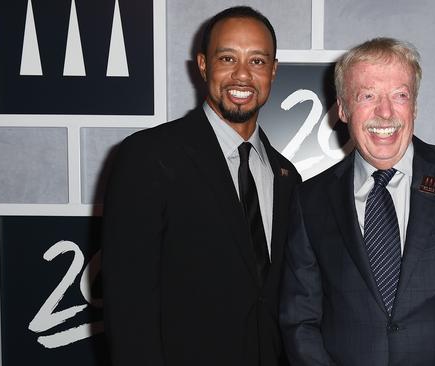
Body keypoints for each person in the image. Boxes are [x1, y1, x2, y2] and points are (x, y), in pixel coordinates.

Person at [279, 37, 435, 366]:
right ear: (343, 108)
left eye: (400, 95)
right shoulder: (311, 199)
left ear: (415, 106)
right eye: (368, 96)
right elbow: (300, 321)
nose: (385, 112)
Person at [102, 6, 300, 366]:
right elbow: (128, 304)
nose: (242, 75)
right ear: (203, 64)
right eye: (228, 58)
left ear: (273, 70)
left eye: (257, 61)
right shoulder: (149, 157)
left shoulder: (287, 175)